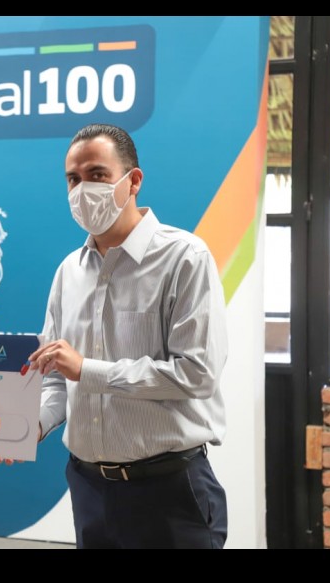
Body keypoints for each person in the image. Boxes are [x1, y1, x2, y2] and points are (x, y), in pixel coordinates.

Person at [28, 123, 228, 549]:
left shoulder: (184, 258)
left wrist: (88, 370)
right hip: (89, 488)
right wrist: (29, 426)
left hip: (169, 490)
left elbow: (197, 374)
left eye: (97, 174)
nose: (83, 189)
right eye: (73, 179)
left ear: (133, 181)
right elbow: (56, 377)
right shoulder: (68, 272)